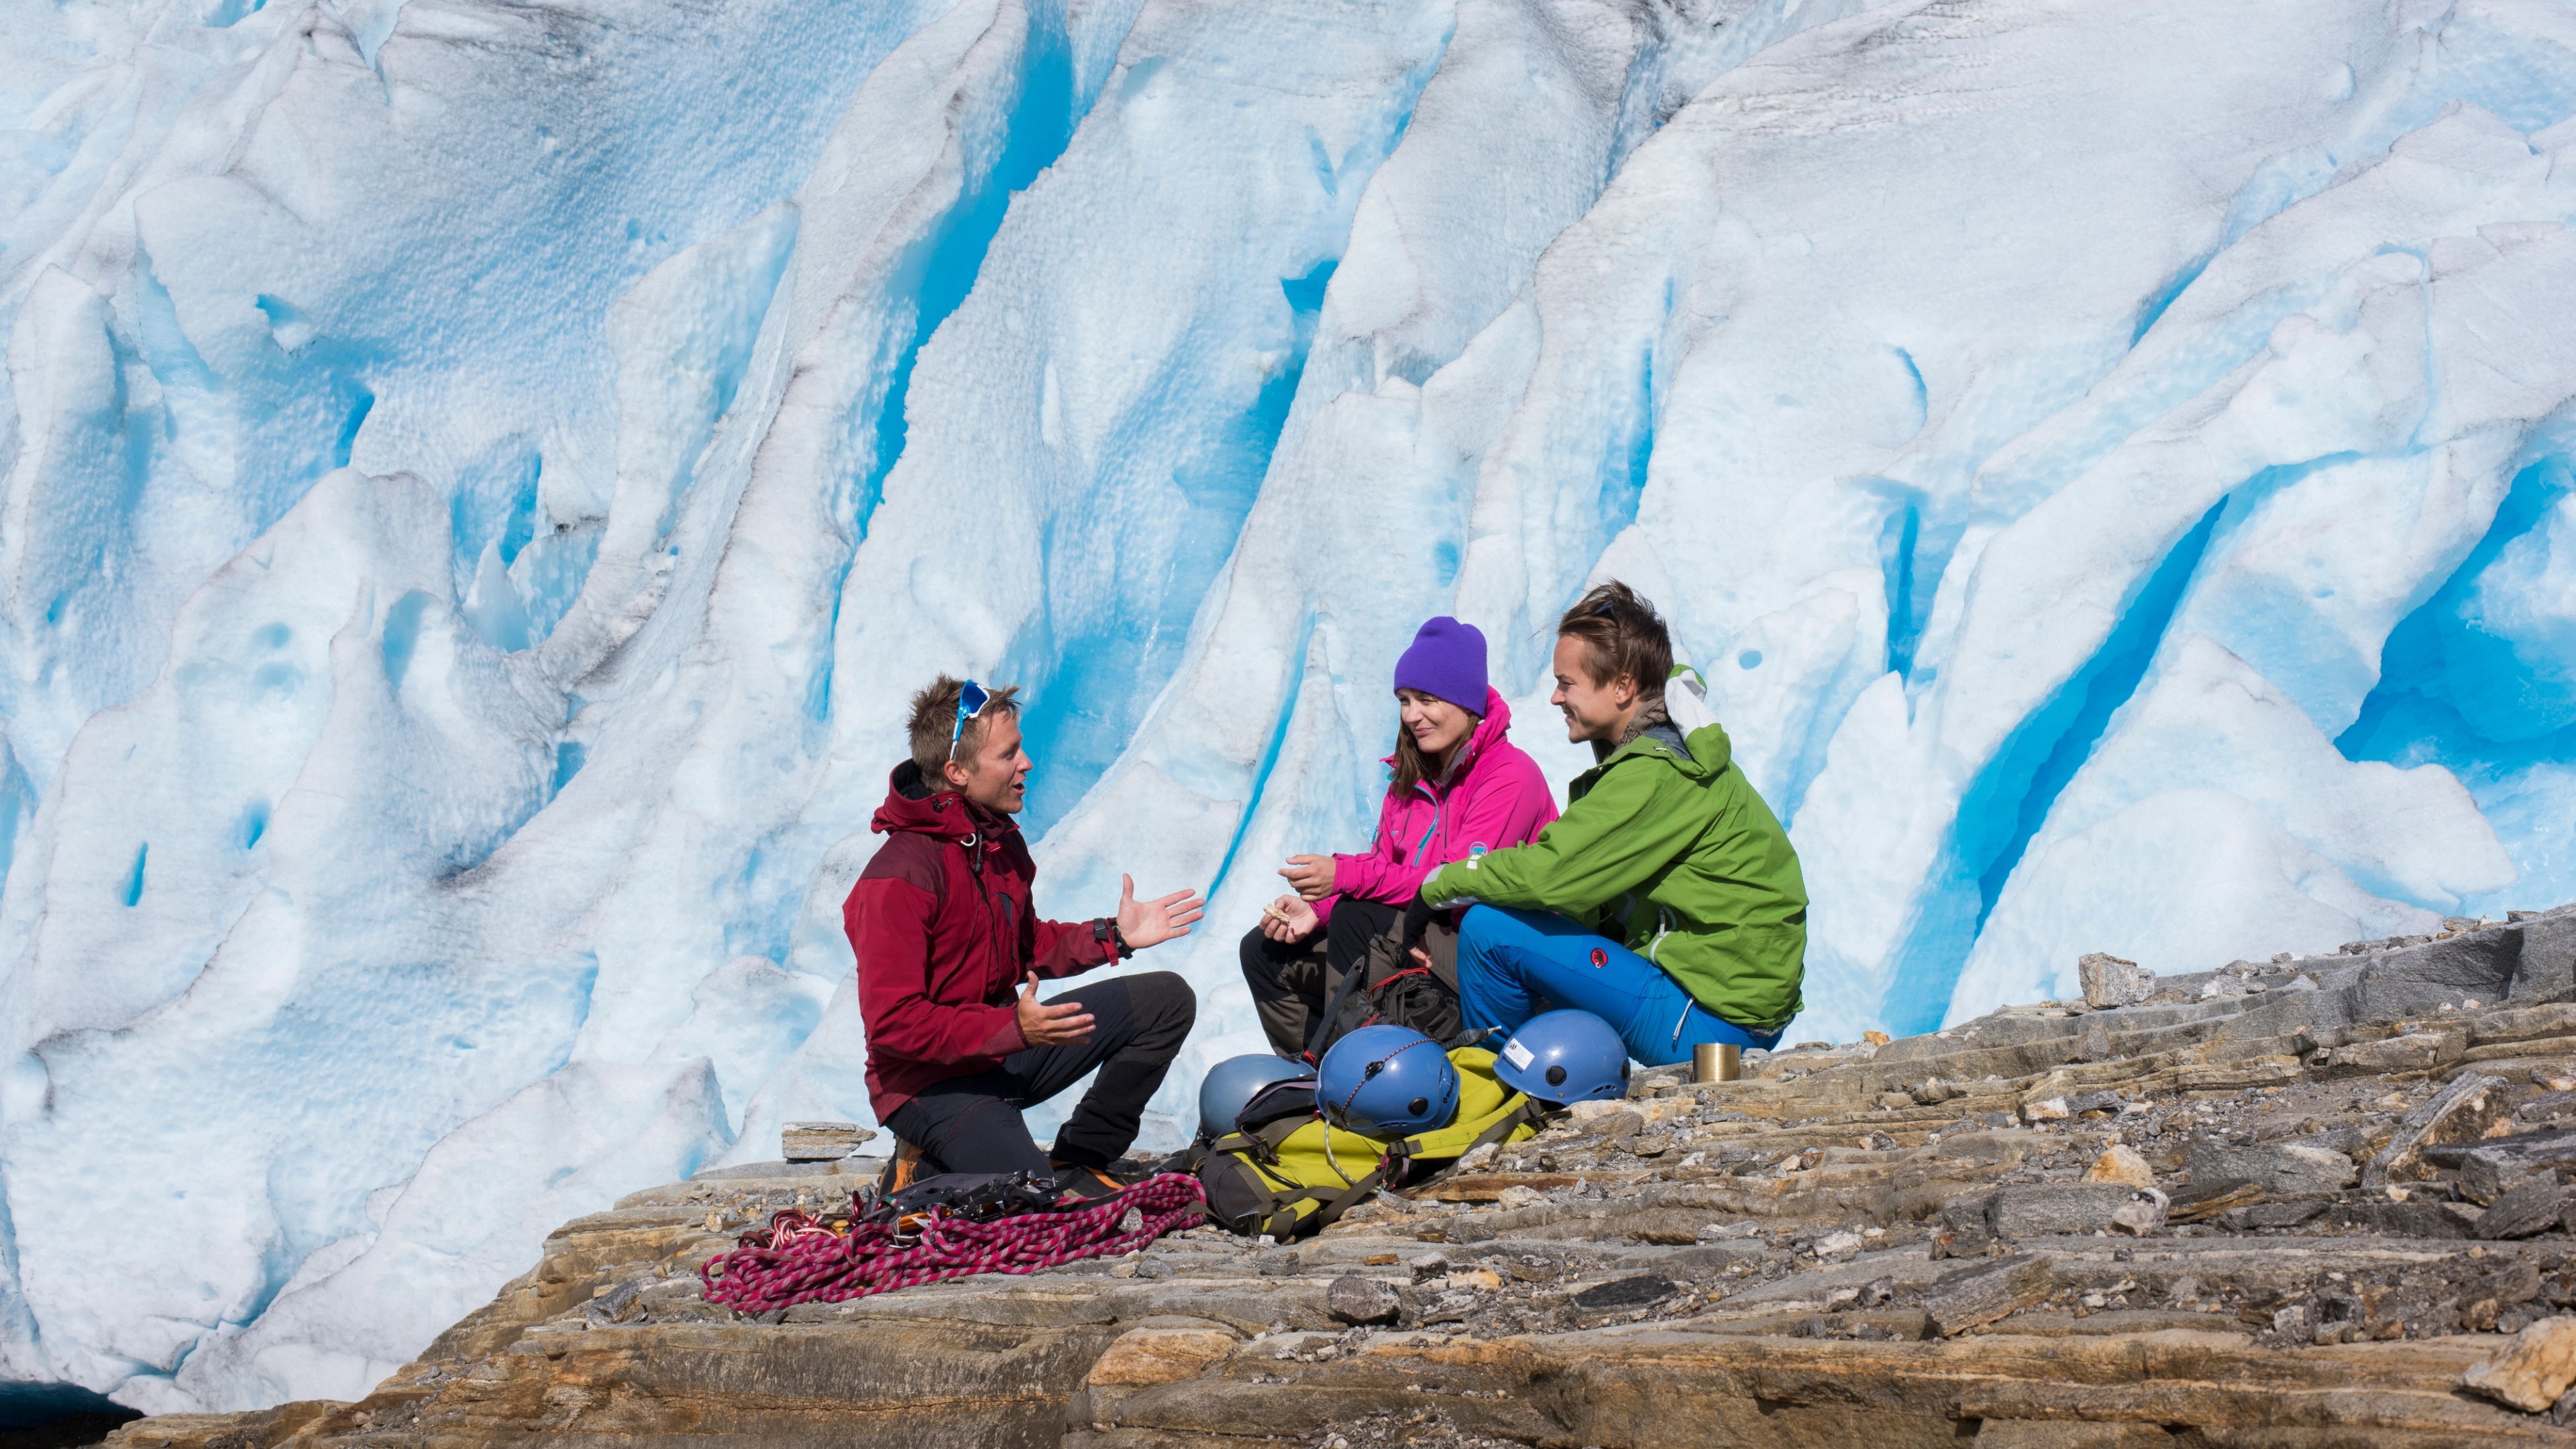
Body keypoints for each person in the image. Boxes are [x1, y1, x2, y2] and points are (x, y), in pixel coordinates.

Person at [1405, 582, 1807, 1065]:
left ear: (1622, 687)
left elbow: (1550, 875)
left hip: (1709, 1025)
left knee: (1489, 931)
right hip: (1724, 1008)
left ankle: (1502, 1087)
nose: (1555, 698)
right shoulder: (1661, 759)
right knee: (1529, 929)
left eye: (1566, 683)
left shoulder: (1655, 773)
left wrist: (1437, 885)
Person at [846, 676, 1205, 1197]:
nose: (1027, 763)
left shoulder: (997, 842)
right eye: (1009, 753)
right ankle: (921, 1173)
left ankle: (1082, 1157)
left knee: (1166, 1001)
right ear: (958, 772)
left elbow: (1026, 945)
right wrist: (1012, 1028)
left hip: (1003, 1050)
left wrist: (1114, 937)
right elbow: (894, 1027)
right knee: (1030, 1195)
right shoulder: (897, 880)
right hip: (928, 1085)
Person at [1238, 617, 1557, 1058]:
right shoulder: (1409, 782)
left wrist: (1344, 878)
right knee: (1264, 949)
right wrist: (1318, 911)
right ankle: (1311, 1068)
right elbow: (1386, 873)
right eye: (1404, 700)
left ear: (1466, 701)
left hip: (1486, 959)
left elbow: (1453, 885)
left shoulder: (1509, 775)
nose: (1411, 715)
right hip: (1419, 940)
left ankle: (1366, 1071)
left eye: (1426, 699)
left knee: (1359, 919)